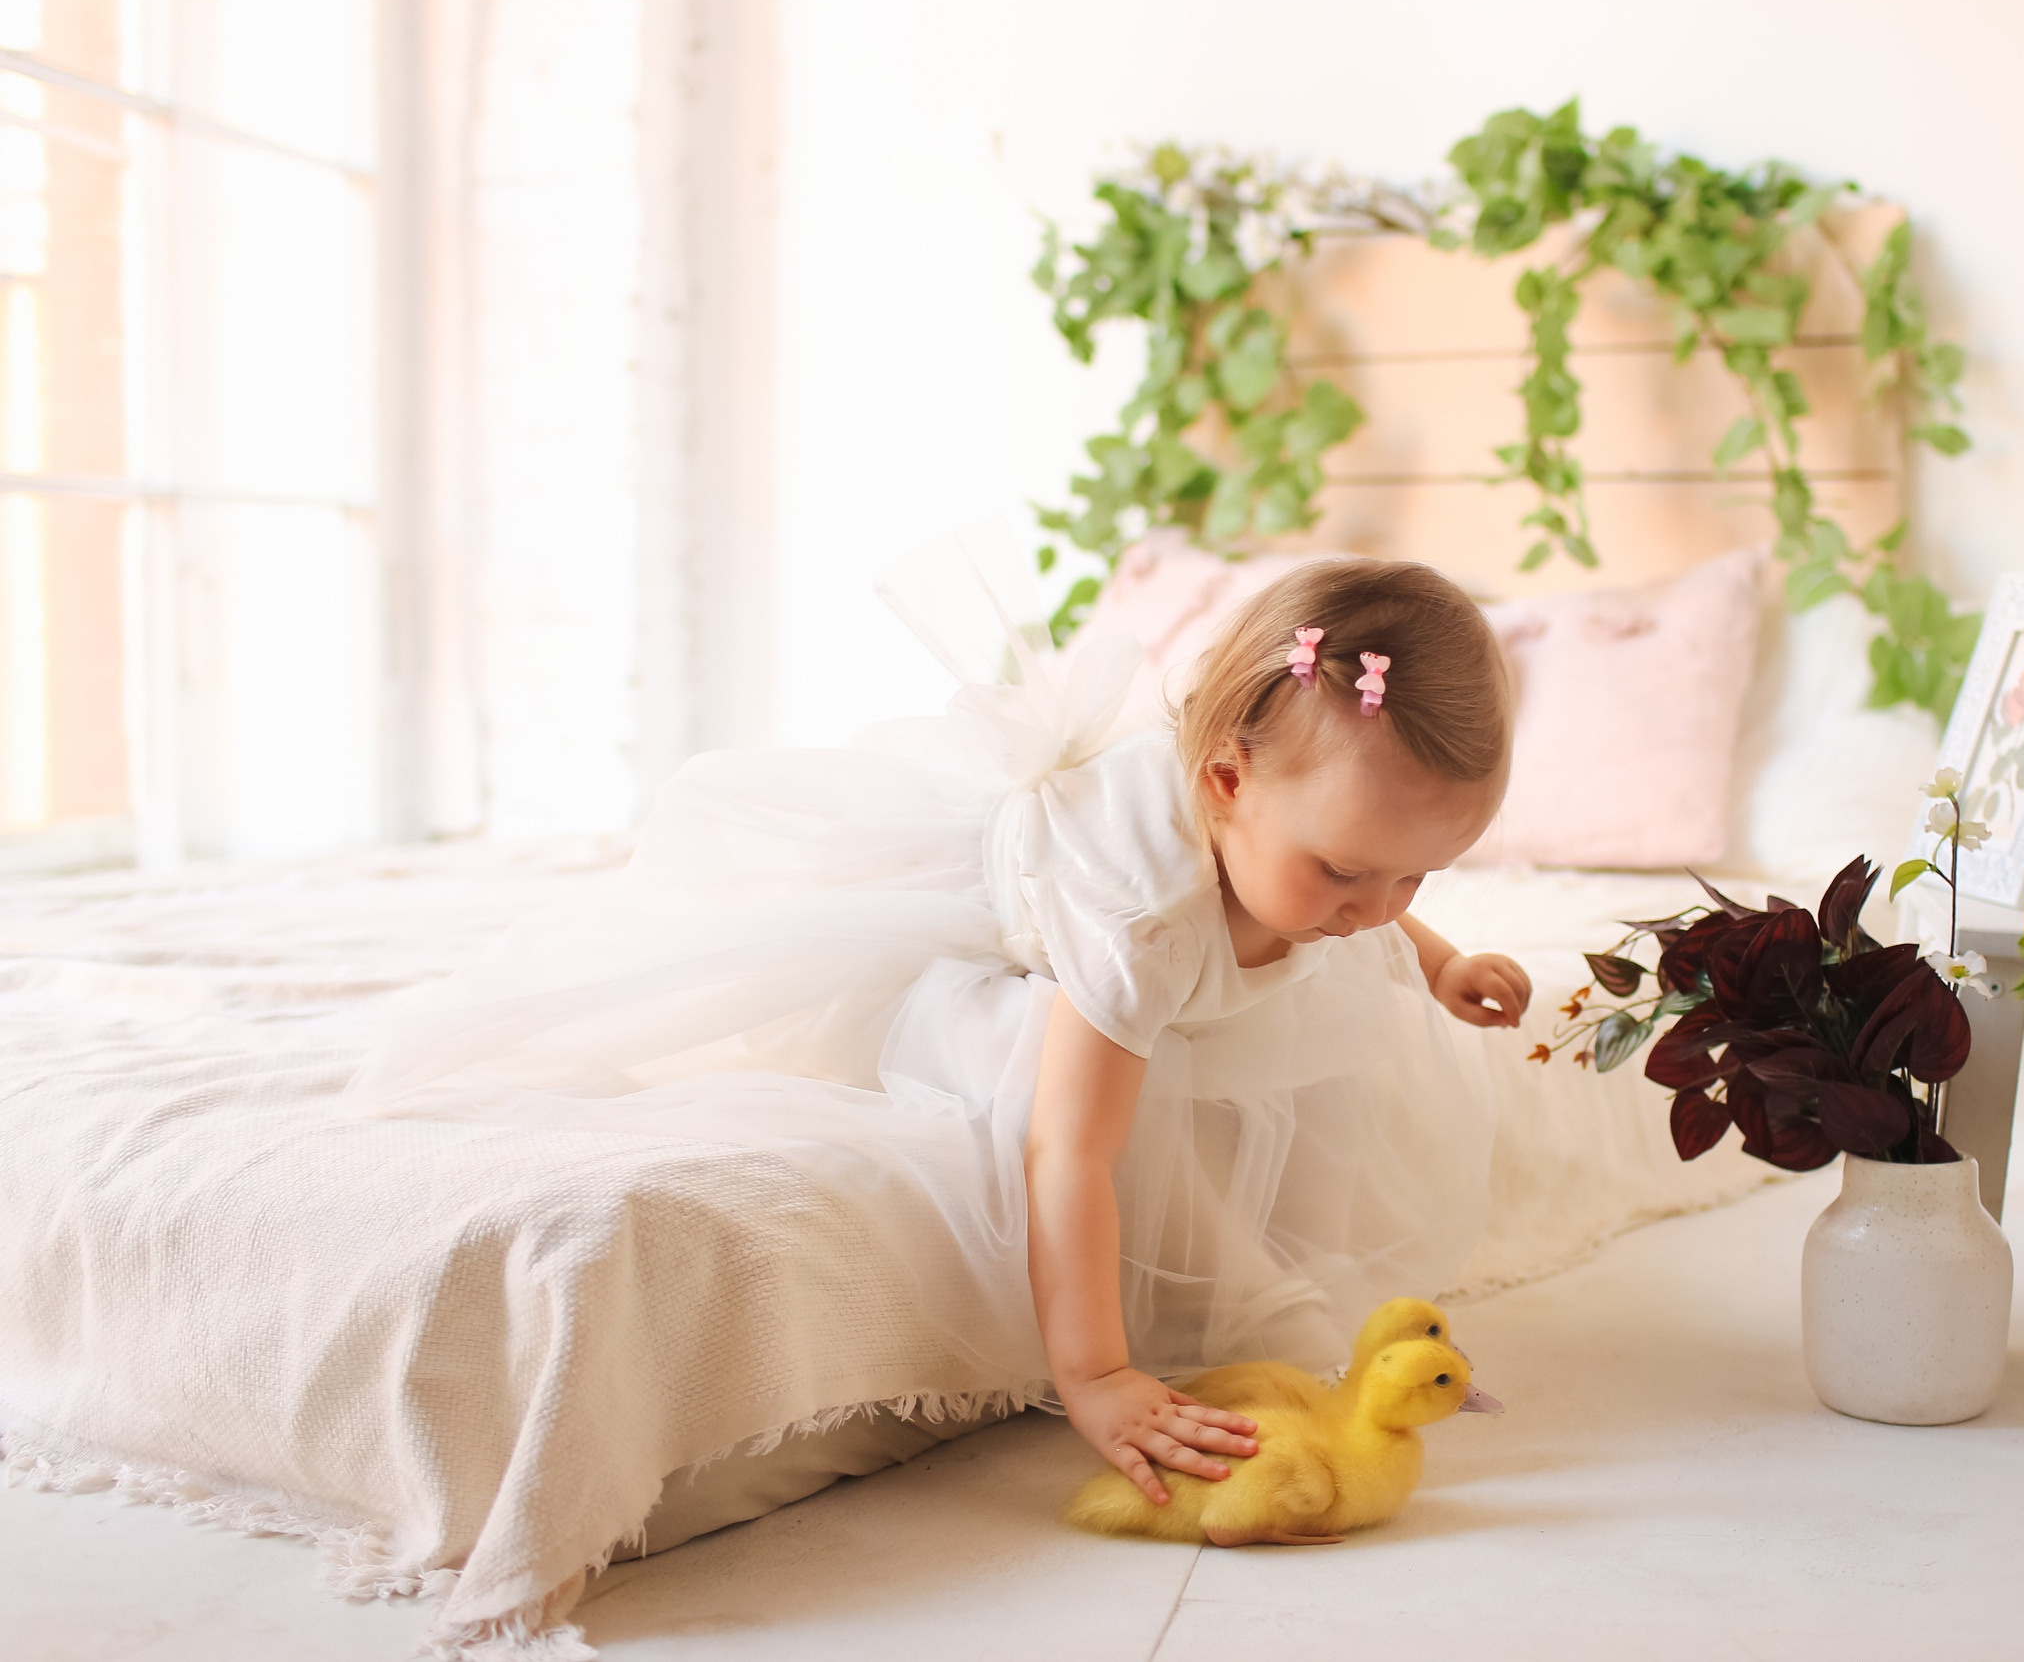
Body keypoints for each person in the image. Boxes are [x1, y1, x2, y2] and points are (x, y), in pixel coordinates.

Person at [355, 555, 1529, 1502]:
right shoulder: (1141, 921)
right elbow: (1066, 1153)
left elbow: (1371, 903)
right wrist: (1100, 1374)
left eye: (1415, 882)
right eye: (1345, 874)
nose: (1377, 912)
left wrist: (1436, 962)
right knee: (1061, 1096)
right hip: (1003, 929)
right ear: (1226, 785)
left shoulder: (1331, 867)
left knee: (1322, 974)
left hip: (1192, 908)